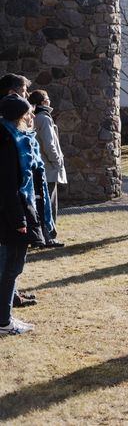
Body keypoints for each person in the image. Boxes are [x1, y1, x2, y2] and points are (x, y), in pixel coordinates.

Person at [0, 95, 54, 335]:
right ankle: (3, 322)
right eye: (28, 113)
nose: (33, 117)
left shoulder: (12, 138)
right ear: (18, 117)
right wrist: (20, 220)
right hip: (12, 217)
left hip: (14, 213)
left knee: (10, 269)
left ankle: (5, 318)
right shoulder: (9, 143)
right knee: (11, 268)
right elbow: (8, 186)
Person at [0, 74, 37, 308]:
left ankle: (10, 299)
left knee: (10, 262)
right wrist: (19, 217)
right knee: (9, 261)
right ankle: (5, 314)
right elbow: (8, 182)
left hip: (13, 206)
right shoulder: (7, 136)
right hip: (10, 208)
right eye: (24, 91)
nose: (27, 95)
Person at [28, 90, 66, 247]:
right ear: (43, 102)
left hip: (39, 167)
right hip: (48, 168)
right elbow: (49, 144)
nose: (50, 101)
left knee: (40, 203)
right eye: (48, 99)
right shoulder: (44, 118)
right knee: (49, 204)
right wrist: (57, 161)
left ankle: (39, 237)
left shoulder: (34, 117)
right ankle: (49, 236)